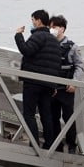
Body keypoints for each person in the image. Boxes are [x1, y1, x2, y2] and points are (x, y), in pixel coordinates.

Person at [14, 10, 62, 150]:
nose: (32, 23)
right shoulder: (54, 40)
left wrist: (18, 35)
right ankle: (49, 144)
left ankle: (34, 144)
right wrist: (54, 85)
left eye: (33, 20)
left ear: (39, 21)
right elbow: (56, 64)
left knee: (29, 113)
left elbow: (26, 50)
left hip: (33, 81)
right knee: (45, 114)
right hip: (48, 83)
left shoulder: (38, 36)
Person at [49, 15, 84, 154]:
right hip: (52, 88)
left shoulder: (72, 47)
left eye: (54, 27)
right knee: (53, 117)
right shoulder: (48, 45)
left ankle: (71, 145)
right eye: (50, 27)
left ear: (62, 28)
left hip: (67, 88)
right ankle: (57, 145)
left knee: (68, 117)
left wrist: (74, 83)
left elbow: (80, 66)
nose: (52, 30)